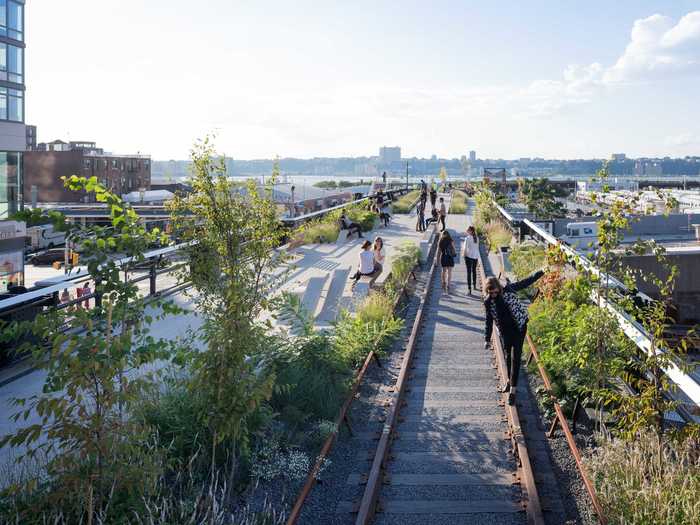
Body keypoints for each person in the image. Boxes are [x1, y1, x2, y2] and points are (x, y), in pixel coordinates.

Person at [483, 270, 545, 405]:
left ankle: (513, 391)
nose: (493, 295)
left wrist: (540, 272)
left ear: (499, 289)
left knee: (516, 358)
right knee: (507, 358)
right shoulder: (488, 302)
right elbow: (488, 320)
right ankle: (509, 381)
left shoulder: (508, 290)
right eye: (490, 293)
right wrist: (487, 338)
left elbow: (525, 282)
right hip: (505, 331)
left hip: (519, 328)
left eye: (495, 292)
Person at [462, 225, 479, 294]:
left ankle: (469, 289)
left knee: (469, 273)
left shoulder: (467, 238)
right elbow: (477, 247)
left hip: (468, 256)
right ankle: (474, 285)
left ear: (471, 231)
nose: (467, 231)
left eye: (468, 230)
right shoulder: (476, 238)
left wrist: (464, 255)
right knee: (474, 271)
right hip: (475, 256)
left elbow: (465, 248)